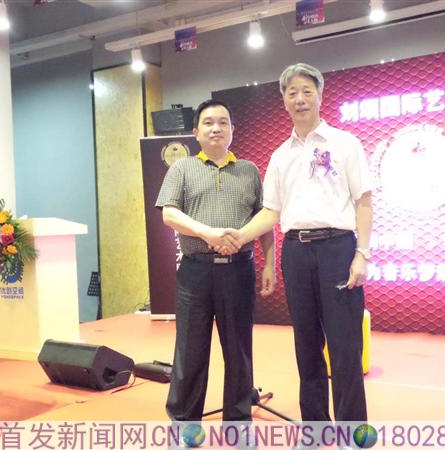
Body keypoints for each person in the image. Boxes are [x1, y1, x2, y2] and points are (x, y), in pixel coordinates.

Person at [220, 63, 373, 427]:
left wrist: (362, 254)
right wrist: (240, 236)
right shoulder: (280, 156)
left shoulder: (345, 143)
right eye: (292, 92)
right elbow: (271, 212)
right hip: (296, 253)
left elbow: (364, 202)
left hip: (338, 249)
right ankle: (315, 427)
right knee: (306, 344)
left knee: (345, 346)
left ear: (320, 96)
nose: (300, 98)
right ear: (284, 101)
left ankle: (352, 431)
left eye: (307, 91)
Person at [155, 99, 275, 430]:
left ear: (233, 129)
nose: (216, 128)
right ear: (196, 132)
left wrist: (269, 264)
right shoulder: (182, 169)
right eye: (208, 123)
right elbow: (169, 213)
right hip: (195, 271)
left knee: (239, 350)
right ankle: (184, 424)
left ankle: (237, 424)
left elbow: (264, 219)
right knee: (190, 349)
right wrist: (206, 232)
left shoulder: (249, 170)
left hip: (239, 270)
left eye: (223, 122)